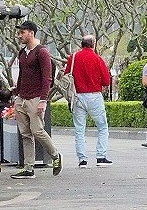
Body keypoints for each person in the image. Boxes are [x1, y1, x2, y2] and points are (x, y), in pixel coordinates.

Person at [10, 20, 62, 179]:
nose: (20, 36)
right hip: (22, 98)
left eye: (22, 32)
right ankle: (28, 167)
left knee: (37, 130)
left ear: (31, 33)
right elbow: (21, 75)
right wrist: (17, 95)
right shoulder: (22, 53)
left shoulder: (42, 52)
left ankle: (55, 155)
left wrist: (43, 100)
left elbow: (47, 78)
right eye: (19, 33)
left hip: (36, 98)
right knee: (25, 134)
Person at [65, 34, 113, 166]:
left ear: (81, 44)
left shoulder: (73, 58)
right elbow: (106, 81)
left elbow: (66, 76)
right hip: (94, 96)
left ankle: (82, 160)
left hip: (78, 97)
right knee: (102, 127)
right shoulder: (98, 59)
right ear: (94, 44)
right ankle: (101, 156)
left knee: (80, 129)